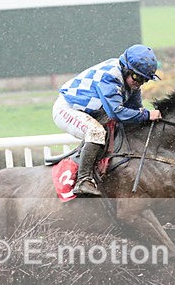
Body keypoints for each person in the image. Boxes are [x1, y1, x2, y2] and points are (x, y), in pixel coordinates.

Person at [52, 44, 163, 196]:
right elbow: (117, 113)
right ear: (126, 69)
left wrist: (145, 116)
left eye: (144, 80)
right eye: (137, 77)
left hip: (92, 111)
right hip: (67, 108)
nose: (139, 83)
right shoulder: (110, 76)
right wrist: (147, 115)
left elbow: (135, 111)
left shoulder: (130, 80)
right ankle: (83, 180)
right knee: (95, 131)